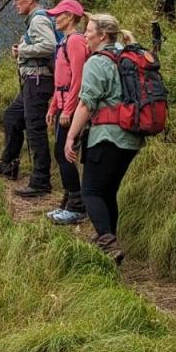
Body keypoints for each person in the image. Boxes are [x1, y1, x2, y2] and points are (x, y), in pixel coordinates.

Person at [63, 13, 143, 264]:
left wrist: (71, 136)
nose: (85, 35)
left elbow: (86, 104)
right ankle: (109, 240)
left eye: (89, 31)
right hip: (131, 138)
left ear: (102, 36)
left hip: (106, 136)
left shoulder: (97, 62)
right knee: (108, 192)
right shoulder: (127, 57)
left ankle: (108, 244)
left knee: (91, 192)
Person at [0, 0, 57, 198]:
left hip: (38, 81)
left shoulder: (38, 19)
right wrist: (22, 50)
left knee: (35, 128)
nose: (14, 4)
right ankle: (8, 164)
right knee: (11, 117)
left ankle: (40, 181)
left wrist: (24, 50)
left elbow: (49, 46)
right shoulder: (35, 19)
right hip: (34, 80)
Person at [45, 0, 89, 225]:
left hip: (70, 106)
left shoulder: (75, 42)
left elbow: (78, 79)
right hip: (62, 103)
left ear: (70, 16)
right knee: (60, 152)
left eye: (59, 14)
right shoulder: (65, 42)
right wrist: (54, 106)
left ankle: (76, 206)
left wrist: (68, 109)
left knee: (65, 153)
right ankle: (68, 201)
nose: (55, 18)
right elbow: (60, 80)